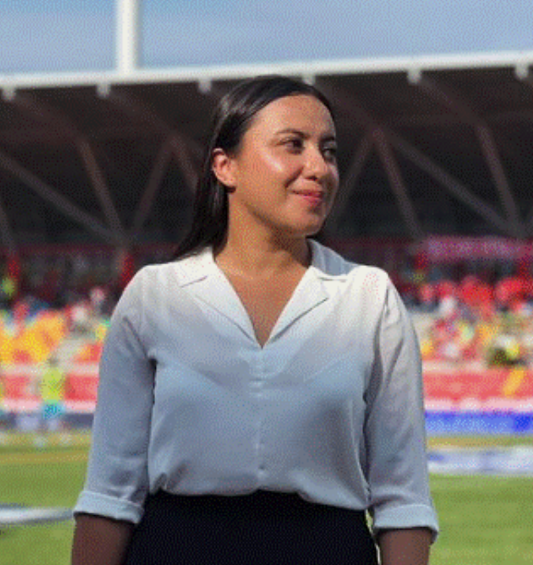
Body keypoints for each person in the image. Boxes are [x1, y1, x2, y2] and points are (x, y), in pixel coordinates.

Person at [71, 75, 439, 565]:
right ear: (226, 167)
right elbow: (110, 492)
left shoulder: (369, 298)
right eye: (293, 145)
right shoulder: (154, 296)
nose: (318, 168)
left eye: (328, 151)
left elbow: (403, 497)